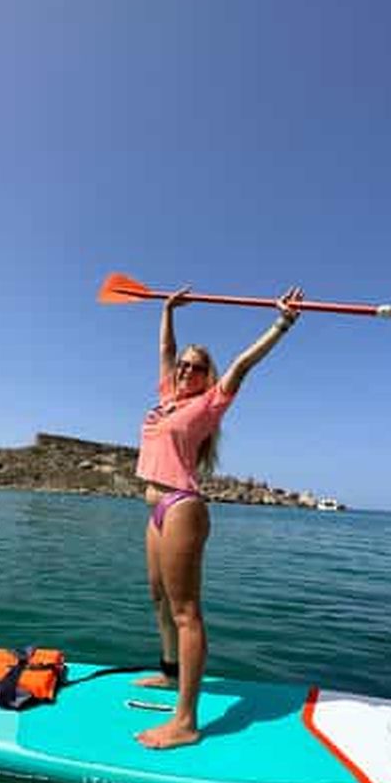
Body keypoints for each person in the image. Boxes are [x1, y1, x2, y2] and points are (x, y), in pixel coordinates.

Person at [133, 284, 304, 749]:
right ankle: (170, 675)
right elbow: (166, 348)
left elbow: (243, 364)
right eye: (184, 363)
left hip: (182, 507)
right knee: (158, 600)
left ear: (207, 376)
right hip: (155, 509)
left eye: (196, 366)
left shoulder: (209, 403)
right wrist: (167, 309)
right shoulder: (168, 392)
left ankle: (186, 721)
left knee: (187, 611)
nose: (186, 368)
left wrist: (282, 322)